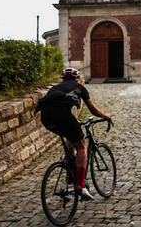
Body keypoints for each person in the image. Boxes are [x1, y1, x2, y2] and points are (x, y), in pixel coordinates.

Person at [37, 67, 113, 201]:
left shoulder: (55, 88)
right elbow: (92, 110)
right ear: (77, 78)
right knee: (82, 146)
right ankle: (81, 185)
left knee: (70, 136)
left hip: (46, 118)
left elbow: (56, 106)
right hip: (62, 116)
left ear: (62, 79)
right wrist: (106, 116)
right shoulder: (79, 87)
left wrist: (74, 121)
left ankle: (69, 170)